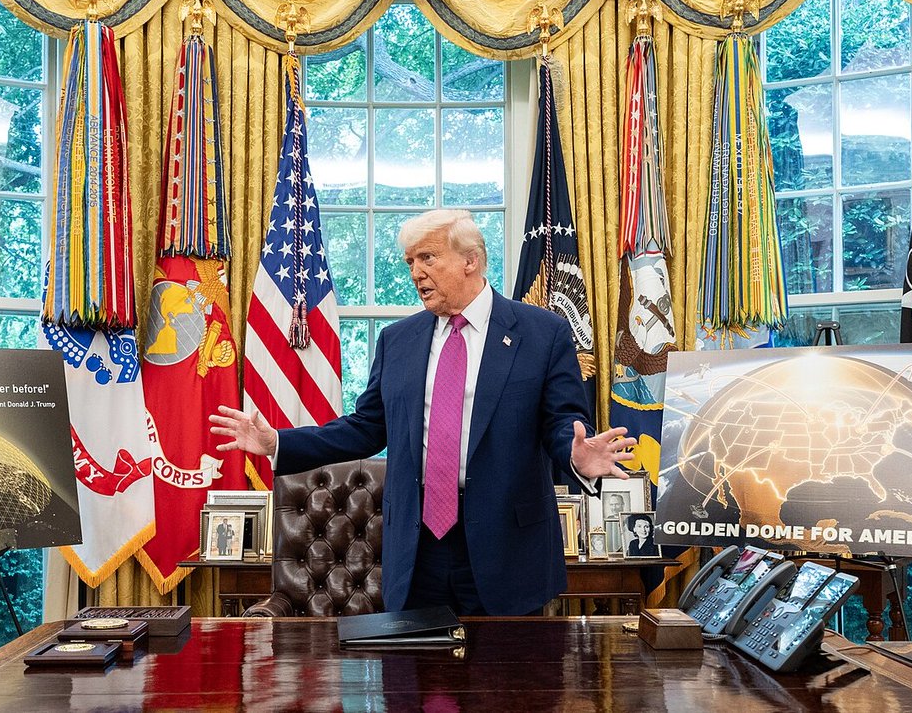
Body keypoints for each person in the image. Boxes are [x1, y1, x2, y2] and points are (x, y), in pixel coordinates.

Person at [211, 209, 635, 615]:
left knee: (508, 666)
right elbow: (365, 428)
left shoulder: (542, 332)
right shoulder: (398, 340)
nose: (416, 272)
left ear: (470, 260)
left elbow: (561, 422)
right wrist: (277, 442)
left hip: (508, 546)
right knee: (415, 666)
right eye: (410, 261)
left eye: (428, 258)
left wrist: (576, 456)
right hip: (417, 551)